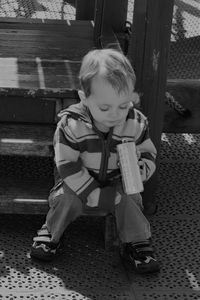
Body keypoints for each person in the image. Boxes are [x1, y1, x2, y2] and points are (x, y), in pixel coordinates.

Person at [30, 48, 160, 274]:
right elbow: (67, 164)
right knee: (65, 199)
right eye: (105, 107)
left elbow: (148, 152)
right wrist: (92, 192)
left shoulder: (135, 123)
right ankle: (52, 232)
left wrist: (142, 169)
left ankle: (137, 242)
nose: (115, 114)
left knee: (131, 199)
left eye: (123, 105)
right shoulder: (72, 124)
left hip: (117, 181)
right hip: (78, 179)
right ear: (84, 98)